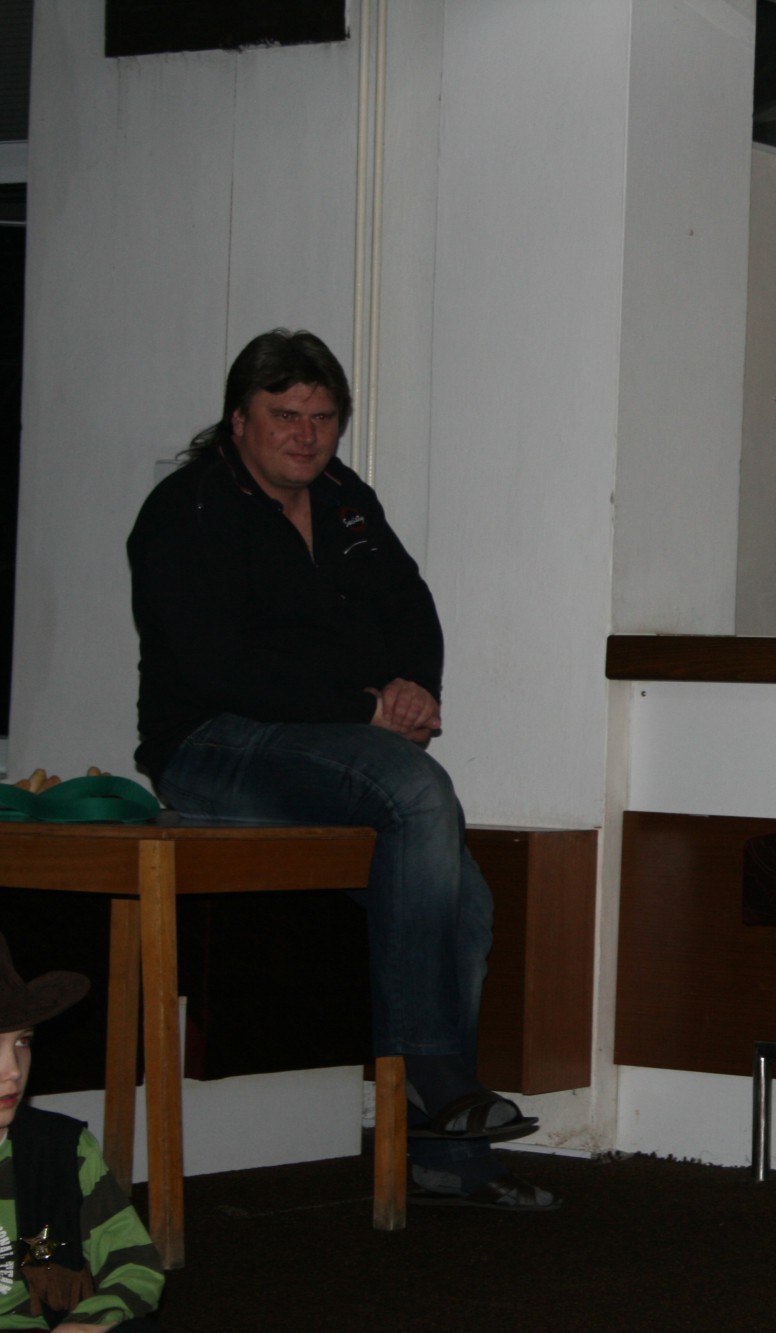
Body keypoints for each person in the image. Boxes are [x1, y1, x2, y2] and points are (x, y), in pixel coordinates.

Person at [124, 330, 555, 1211]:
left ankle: (443, 1153)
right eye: (285, 415)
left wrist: (414, 685)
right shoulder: (185, 510)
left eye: (323, 417)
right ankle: (430, 1067)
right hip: (209, 746)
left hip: (326, 749)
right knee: (413, 787)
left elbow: (409, 601)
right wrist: (365, 709)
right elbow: (217, 668)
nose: (306, 434)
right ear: (238, 420)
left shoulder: (346, 498)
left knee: (466, 904)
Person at [1, 933, 166, 1331]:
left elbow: (134, 1261)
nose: (13, 1070)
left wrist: (90, 1322)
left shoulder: (59, 1148)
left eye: (22, 1041)